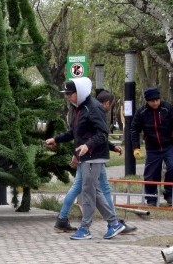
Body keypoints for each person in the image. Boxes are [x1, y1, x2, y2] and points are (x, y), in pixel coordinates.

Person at [44, 78, 125, 240]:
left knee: (88, 192)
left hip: (93, 157)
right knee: (94, 191)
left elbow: (102, 133)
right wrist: (56, 139)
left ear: (78, 93)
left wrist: (88, 146)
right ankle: (114, 223)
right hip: (84, 157)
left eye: (70, 94)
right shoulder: (78, 109)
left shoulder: (93, 107)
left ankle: (85, 228)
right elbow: (74, 133)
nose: (68, 97)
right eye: (66, 94)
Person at [129, 87, 173, 206]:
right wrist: (136, 147)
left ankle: (170, 194)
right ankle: (151, 198)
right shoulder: (141, 112)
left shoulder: (167, 108)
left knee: (172, 166)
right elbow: (134, 129)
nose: (155, 103)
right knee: (151, 174)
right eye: (152, 101)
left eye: (157, 100)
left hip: (168, 145)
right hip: (152, 147)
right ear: (147, 101)